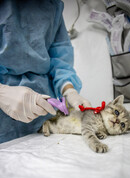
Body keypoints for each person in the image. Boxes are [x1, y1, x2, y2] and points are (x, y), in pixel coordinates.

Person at [0, 0, 91, 144]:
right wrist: (2, 93)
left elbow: (60, 59)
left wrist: (69, 90)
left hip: (44, 118)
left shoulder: (52, 5)